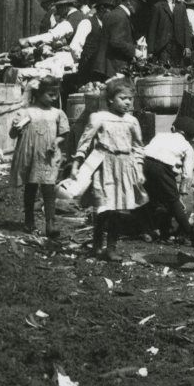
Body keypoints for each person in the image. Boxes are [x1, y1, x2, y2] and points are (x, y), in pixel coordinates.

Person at [70, 78, 148, 262]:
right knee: (103, 207)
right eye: (123, 98)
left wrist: (139, 169)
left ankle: (111, 247)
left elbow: (138, 147)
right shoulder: (98, 117)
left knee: (118, 209)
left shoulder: (132, 121)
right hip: (104, 165)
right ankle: (97, 243)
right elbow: (85, 141)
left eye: (130, 99)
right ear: (111, 99)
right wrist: (76, 164)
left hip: (124, 166)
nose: (127, 102)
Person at [9, 78, 70, 239]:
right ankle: (29, 220)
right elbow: (13, 134)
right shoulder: (26, 112)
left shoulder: (57, 113)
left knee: (48, 189)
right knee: (31, 187)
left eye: (56, 95)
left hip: (48, 156)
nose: (54, 98)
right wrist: (17, 128)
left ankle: (51, 223)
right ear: (39, 94)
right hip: (31, 154)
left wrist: (56, 143)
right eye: (50, 94)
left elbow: (63, 134)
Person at [140, 114, 194, 243]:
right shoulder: (188, 147)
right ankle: (189, 233)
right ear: (191, 137)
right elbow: (187, 174)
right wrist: (181, 194)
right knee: (173, 201)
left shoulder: (160, 135)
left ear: (173, 128)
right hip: (161, 168)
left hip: (143, 163)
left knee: (146, 197)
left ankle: (149, 230)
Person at [20, 0, 93, 67]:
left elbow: (53, 35)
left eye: (57, 7)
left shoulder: (73, 19)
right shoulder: (78, 16)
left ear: (64, 6)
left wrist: (28, 40)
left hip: (78, 60)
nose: (57, 12)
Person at [147, 0, 192, 68]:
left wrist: (187, 46)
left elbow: (186, 27)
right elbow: (152, 30)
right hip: (163, 47)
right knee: (163, 70)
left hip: (178, 47)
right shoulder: (158, 6)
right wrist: (150, 51)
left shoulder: (181, 7)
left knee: (177, 71)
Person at [102, 0, 143, 76]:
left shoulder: (117, 14)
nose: (139, 6)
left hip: (110, 65)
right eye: (137, 2)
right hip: (114, 66)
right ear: (128, 1)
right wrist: (134, 51)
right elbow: (116, 41)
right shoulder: (120, 16)